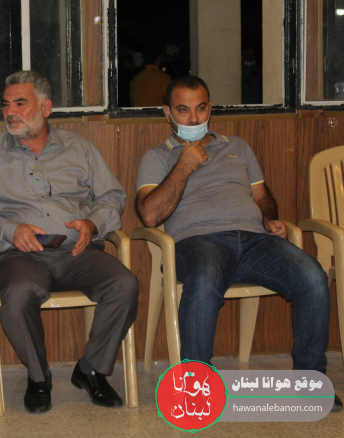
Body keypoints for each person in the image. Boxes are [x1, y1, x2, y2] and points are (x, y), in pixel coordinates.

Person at [135, 75, 341, 411]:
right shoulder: (157, 157)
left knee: (312, 276)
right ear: (167, 113)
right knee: (204, 280)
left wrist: (269, 218)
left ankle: (310, 382)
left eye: (201, 109)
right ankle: (196, 391)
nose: (194, 119)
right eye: (183, 110)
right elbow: (149, 215)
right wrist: (183, 167)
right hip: (198, 242)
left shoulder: (238, 147)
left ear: (210, 108)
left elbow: (262, 197)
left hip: (256, 239)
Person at [0, 70, 138, 413]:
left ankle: (91, 370)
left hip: (78, 252)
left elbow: (112, 196)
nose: (10, 112)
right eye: (6, 104)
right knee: (18, 295)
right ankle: (39, 378)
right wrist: (11, 229)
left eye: (20, 103)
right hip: (21, 256)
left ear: (45, 108)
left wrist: (92, 224)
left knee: (124, 284)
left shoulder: (79, 147)